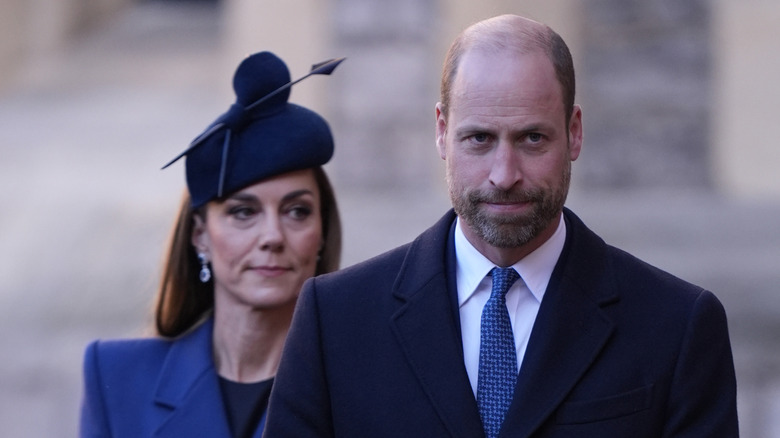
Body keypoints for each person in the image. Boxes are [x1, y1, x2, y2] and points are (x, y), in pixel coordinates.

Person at [263, 14, 738, 438]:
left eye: (532, 138)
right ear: (441, 132)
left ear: (574, 132)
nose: (504, 174)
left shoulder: (677, 326)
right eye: (479, 139)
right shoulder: (336, 320)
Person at [79, 51, 344, 438]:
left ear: (322, 230)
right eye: (243, 212)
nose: (272, 236)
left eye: (297, 211)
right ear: (199, 235)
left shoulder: (363, 384)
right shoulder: (116, 378)